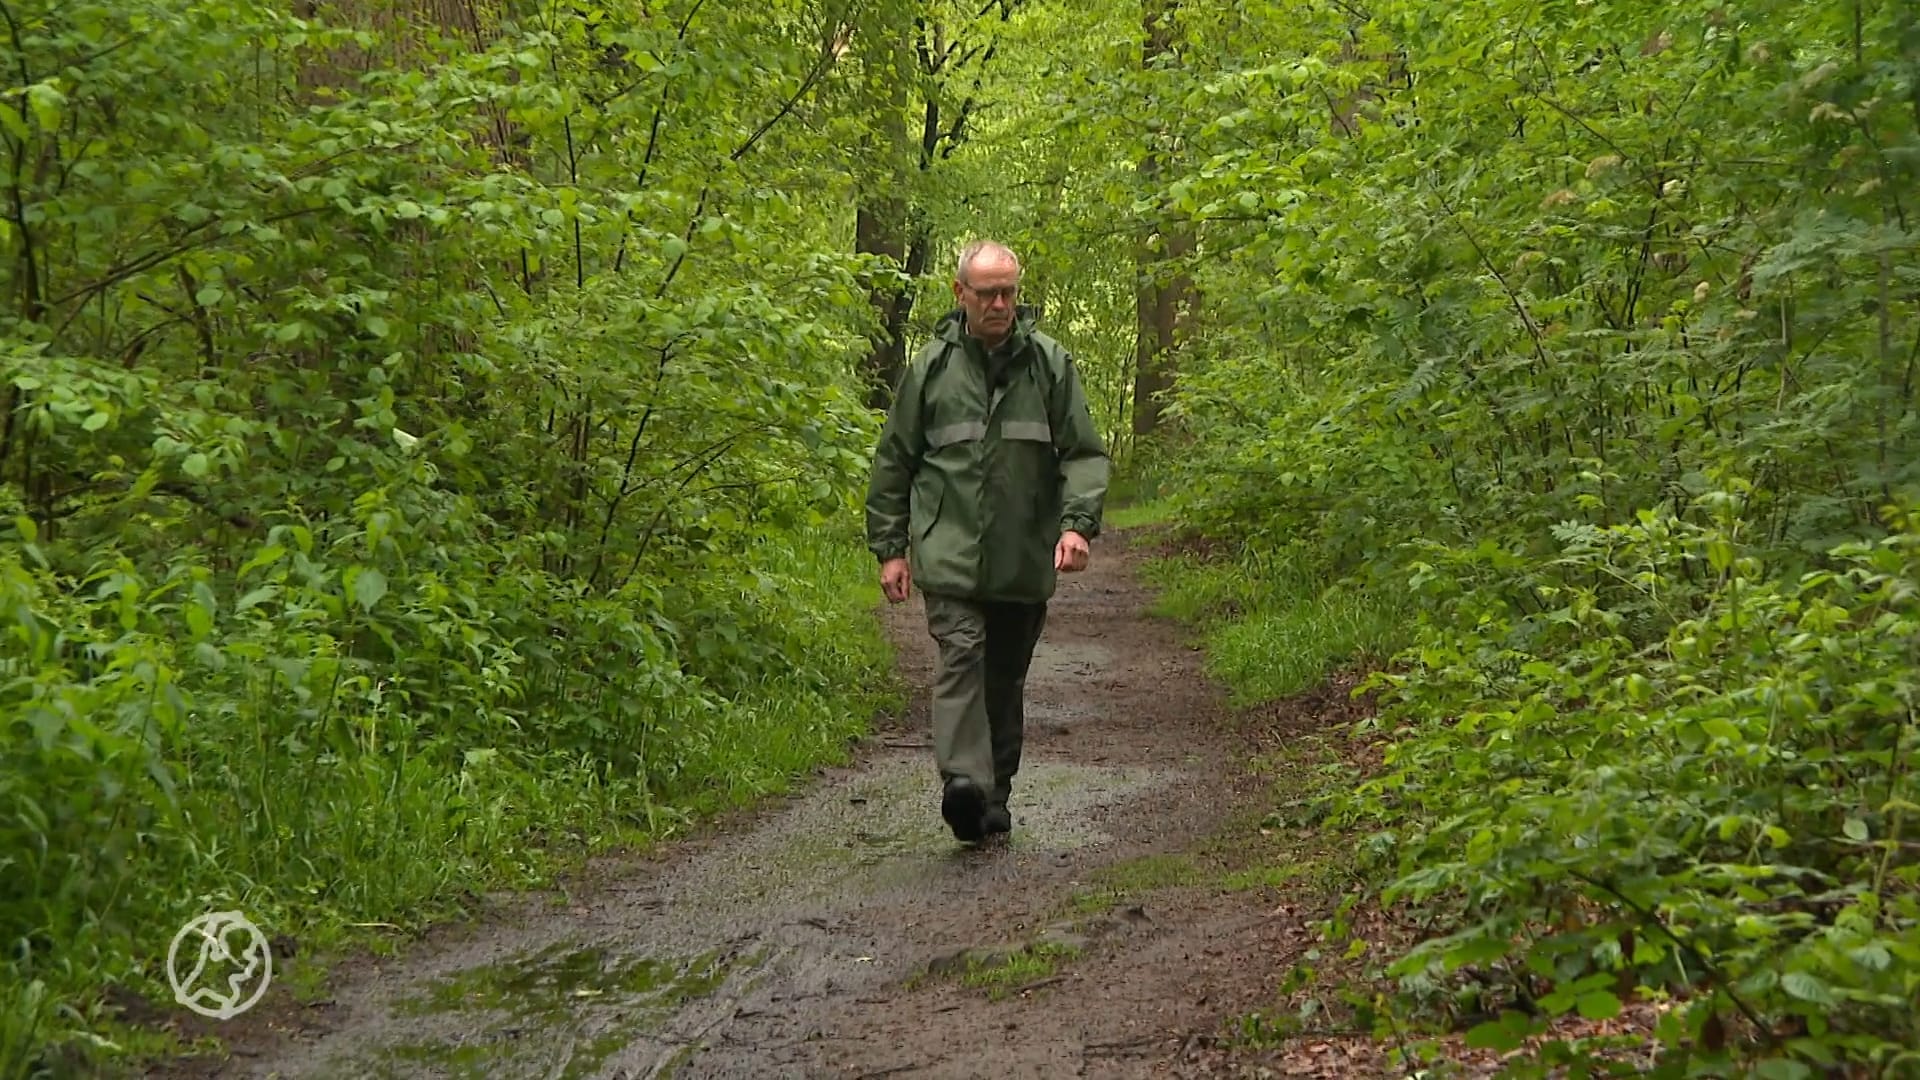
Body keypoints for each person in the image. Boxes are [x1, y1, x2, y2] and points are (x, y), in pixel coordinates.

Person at [864, 240, 1110, 843]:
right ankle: (962, 784)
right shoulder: (930, 369)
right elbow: (894, 461)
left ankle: (992, 796)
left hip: (1023, 556)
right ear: (960, 294)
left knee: (1004, 676)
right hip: (948, 551)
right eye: (988, 292)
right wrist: (891, 547)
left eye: (1009, 291)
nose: (1001, 303)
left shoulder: (1050, 364)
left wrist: (1076, 524)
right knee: (961, 656)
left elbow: (1082, 453)